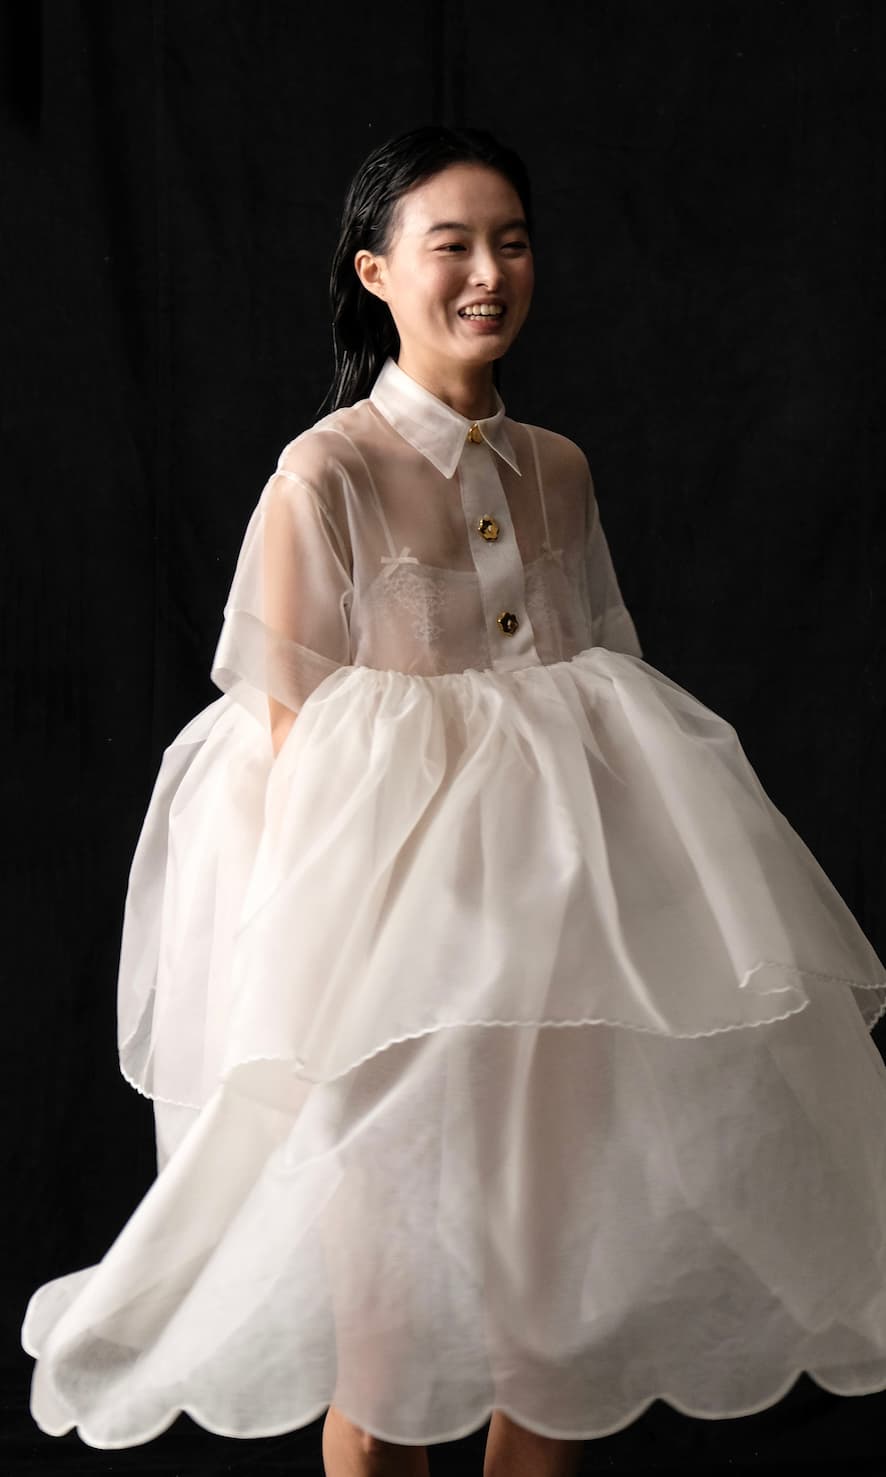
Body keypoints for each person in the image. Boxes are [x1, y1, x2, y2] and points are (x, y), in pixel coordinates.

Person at [21, 124, 886, 1476]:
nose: (489, 272)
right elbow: (287, 745)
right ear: (374, 272)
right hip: (389, 972)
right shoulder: (328, 476)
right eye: (453, 246)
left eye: (513, 241)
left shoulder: (557, 466)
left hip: (556, 954)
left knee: (551, 1325)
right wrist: (304, 983)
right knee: (386, 1334)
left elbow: (600, 690)